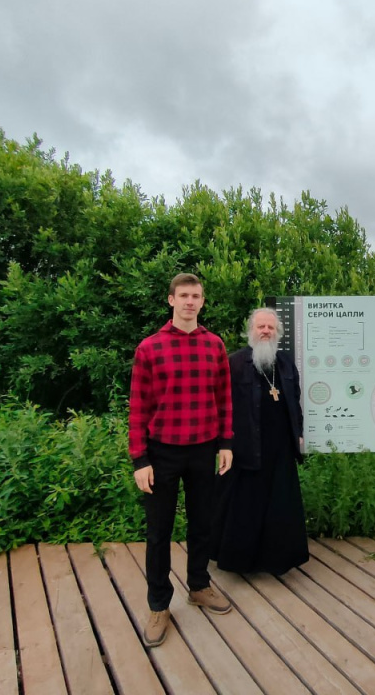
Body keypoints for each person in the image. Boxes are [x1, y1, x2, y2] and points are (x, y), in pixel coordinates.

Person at [129, 273, 234, 649]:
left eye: (196, 296)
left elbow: (224, 398)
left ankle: (199, 586)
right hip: (162, 453)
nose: (190, 301)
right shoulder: (150, 348)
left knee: (202, 523)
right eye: (184, 295)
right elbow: (138, 407)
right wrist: (140, 459)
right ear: (171, 300)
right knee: (159, 532)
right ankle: (159, 605)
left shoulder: (214, 345)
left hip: (204, 448)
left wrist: (226, 443)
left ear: (202, 302)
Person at [211, 307, 309, 575]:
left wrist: (298, 431)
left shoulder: (285, 363)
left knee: (279, 507)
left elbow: (294, 401)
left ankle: (276, 561)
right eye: (261, 327)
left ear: (278, 332)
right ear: (251, 331)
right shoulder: (234, 363)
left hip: (281, 449)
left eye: (270, 327)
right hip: (246, 448)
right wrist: (223, 444)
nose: (266, 331)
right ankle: (240, 563)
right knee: (245, 509)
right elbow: (221, 407)